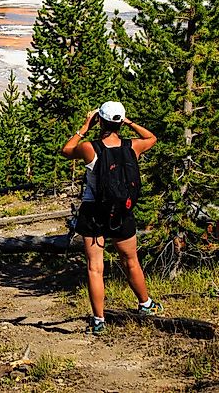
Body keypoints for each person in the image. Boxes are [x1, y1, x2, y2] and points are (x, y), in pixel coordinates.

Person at [61, 101, 163, 335]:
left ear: (101, 121)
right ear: (120, 122)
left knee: (95, 268)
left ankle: (99, 320)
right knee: (131, 260)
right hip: (122, 212)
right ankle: (145, 304)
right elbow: (152, 138)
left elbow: (66, 150)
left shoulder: (90, 148)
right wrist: (130, 123)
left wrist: (85, 127)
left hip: (93, 211)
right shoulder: (133, 147)